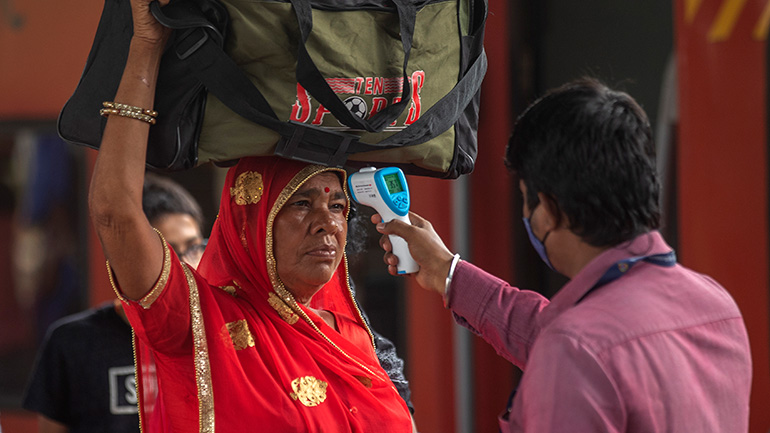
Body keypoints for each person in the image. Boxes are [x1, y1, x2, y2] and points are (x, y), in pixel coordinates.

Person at [87, 0, 415, 431]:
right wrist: (147, 46)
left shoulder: (360, 337)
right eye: (301, 203)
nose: (327, 223)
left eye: (337, 205)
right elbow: (116, 213)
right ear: (251, 223)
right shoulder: (200, 323)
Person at [373, 78, 752, 432]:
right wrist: (446, 271)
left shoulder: (574, 349)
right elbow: (563, 334)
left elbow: (576, 346)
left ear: (550, 211)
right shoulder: (717, 307)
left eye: (525, 198)